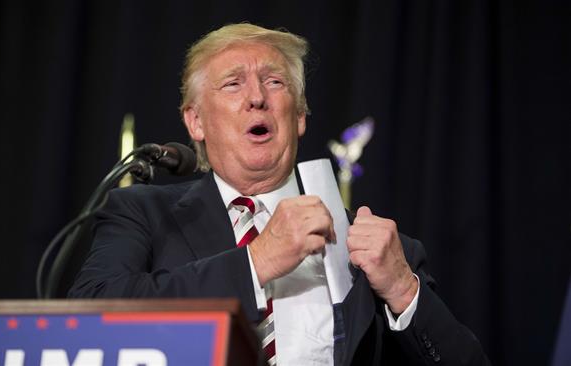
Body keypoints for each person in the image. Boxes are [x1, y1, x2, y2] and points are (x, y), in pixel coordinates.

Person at [69, 23, 490, 365]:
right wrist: (257, 262)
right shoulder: (142, 214)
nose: (257, 98)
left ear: (301, 116)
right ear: (195, 122)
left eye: (274, 82)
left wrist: (402, 290)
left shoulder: (373, 248)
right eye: (233, 84)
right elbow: (88, 320)